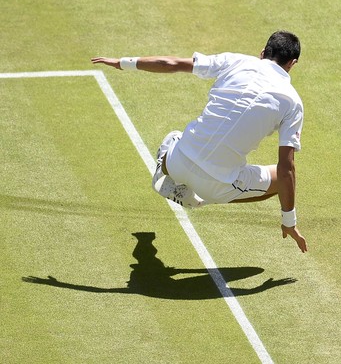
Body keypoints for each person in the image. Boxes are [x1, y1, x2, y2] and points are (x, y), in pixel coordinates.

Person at [91, 31, 307, 253]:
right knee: (279, 183)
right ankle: (204, 195)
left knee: (173, 136)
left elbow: (170, 63)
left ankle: (165, 169)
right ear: (292, 63)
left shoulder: (234, 61)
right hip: (215, 186)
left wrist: (123, 63)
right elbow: (286, 168)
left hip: (177, 159)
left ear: (262, 53)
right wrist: (289, 221)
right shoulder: (293, 103)